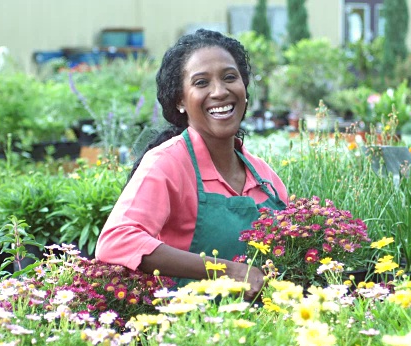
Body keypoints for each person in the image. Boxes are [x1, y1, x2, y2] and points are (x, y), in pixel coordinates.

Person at [95, 29, 288, 300]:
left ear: (244, 89)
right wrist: (225, 270)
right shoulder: (168, 164)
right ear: (180, 101)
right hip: (190, 329)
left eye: (230, 78)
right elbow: (116, 240)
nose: (220, 91)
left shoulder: (265, 178)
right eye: (201, 83)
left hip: (264, 332)